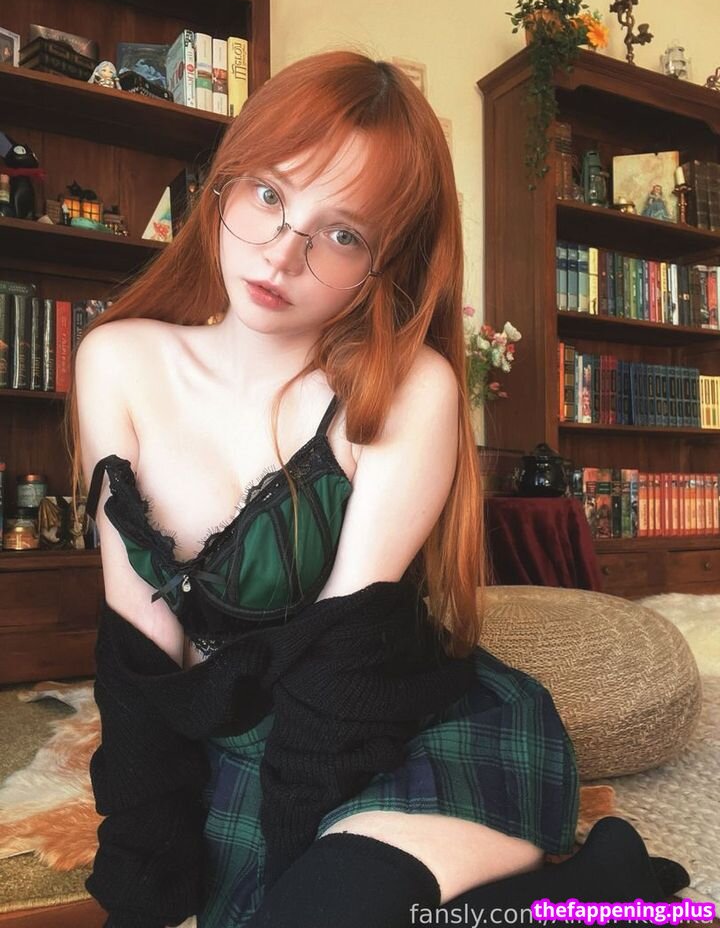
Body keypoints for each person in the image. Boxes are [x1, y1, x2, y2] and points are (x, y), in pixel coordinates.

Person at [67, 51, 688, 928]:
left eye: (343, 234)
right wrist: (145, 876)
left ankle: (569, 879)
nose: (281, 254)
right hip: (229, 735)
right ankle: (588, 886)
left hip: (384, 724)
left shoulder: (407, 389)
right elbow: (138, 641)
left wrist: (294, 876)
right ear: (224, 181)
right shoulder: (117, 359)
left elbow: (342, 662)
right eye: (270, 195)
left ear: (384, 262)